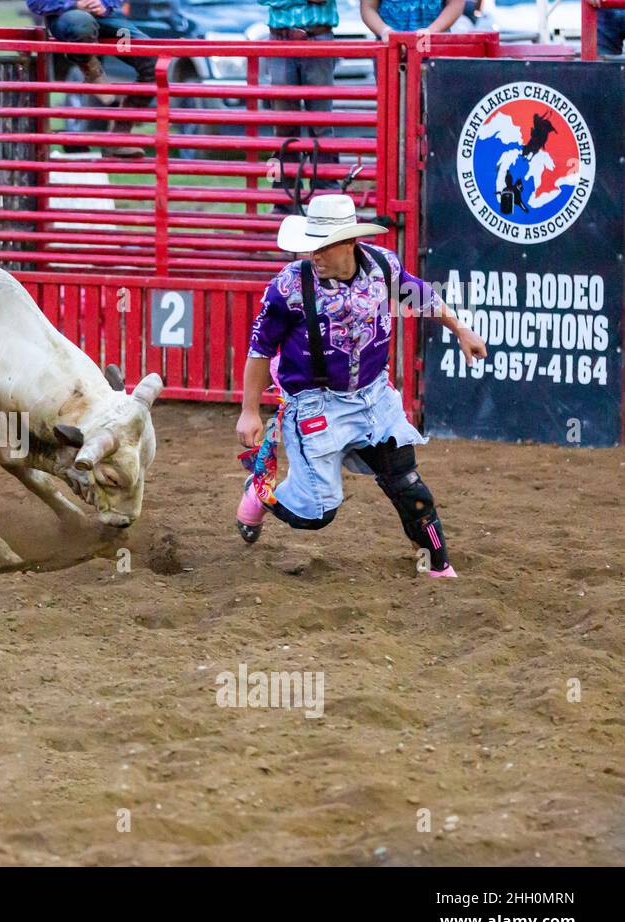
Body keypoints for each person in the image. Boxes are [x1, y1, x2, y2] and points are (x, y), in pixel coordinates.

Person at [233, 194, 488, 578]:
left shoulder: (383, 268)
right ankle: (260, 493)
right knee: (316, 512)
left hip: (374, 396)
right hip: (314, 403)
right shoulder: (289, 287)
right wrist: (249, 410)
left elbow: (418, 294)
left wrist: (460, 328)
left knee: (407, 482)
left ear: (350, 242)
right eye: (311, 245)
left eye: (324, 245)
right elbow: (260, 348)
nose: (314, 254)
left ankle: (438, 566)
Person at [26, 0, 156, 159]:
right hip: (67, 18)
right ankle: (91, 70)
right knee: (82, 23)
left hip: (106, 20)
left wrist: (104, 4)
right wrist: (74, 4)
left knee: (150, 57)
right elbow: (36, 3)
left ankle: (120, 136)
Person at [258, 0, 340, 207]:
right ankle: (283, 197)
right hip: (282, 38)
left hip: (315, 37)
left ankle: (325, 195)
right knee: (283, 125)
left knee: (320, 123)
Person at [360, 0, 466, 39]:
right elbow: (368, 8)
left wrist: (431, 31)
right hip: (390, 49)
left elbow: (455, 4)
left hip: (434, 46)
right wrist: (385, 31)